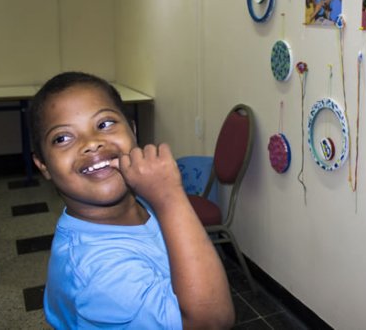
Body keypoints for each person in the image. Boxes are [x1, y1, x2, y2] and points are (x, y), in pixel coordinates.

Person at [29, 72, 234, 329]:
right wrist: (170, 198)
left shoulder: (140, 202)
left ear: (133, 130)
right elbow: (211, 322)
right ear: (43, 165)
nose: (91, 143)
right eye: (62, 138)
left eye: (104, 124)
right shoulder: (100, 273)